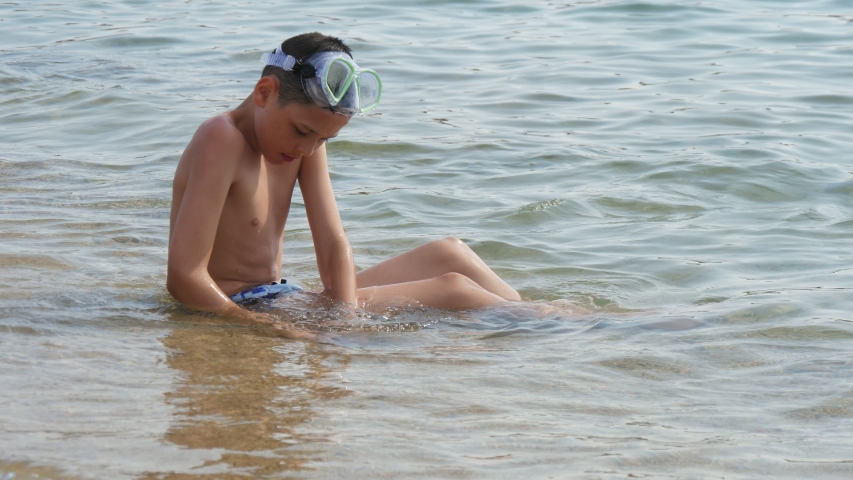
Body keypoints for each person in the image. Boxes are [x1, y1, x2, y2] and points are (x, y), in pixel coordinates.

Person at [167, 32, 520, 337]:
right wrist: (261, 327)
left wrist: (344, 316)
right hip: (248, 305)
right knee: (455, 290)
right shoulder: (222, 138)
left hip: (284, 295)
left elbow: (335, 245)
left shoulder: (306, 143)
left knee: (450, 252)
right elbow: (184, 278)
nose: (308, 148)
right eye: (303, 132)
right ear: (264, 93)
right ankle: (560, 328)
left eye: (324, 140)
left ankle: (536, 314)